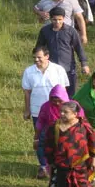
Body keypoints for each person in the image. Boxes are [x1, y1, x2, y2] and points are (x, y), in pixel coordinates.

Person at [22, 46, 70, 178]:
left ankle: (56, 165)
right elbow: (27, 92)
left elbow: (63, 91)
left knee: (58, 140)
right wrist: (27, 110)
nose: (36, 60)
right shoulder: (29, 72)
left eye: (39, 57)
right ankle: (43, 166)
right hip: (38, 111)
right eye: (34, 58)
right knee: (41, 139)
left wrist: (67, 111)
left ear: (47, 56)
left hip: (57, 112)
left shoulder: (58, 70)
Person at [36, 7, 90, 98]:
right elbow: (39, 48)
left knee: (70, 94)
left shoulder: (71, 31)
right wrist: (39, 62)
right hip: (51, 69)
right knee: (52, 93)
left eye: (60, 20)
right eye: (54, 20)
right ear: (50, 19)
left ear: (64, 18)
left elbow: (78, 48)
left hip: (68, 68)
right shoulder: (45, 31)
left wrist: (84, 64)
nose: (57, 22)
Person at [34, 85, 85, 180]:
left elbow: (81, 119)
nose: (57, 103)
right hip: (51, 134)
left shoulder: (73, 105)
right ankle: (44, 167)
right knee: (44, 149)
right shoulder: (46, 106)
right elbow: (40, 121)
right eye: (54, 100)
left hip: (70, 134)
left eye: (60, 101)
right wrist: (36, 137)